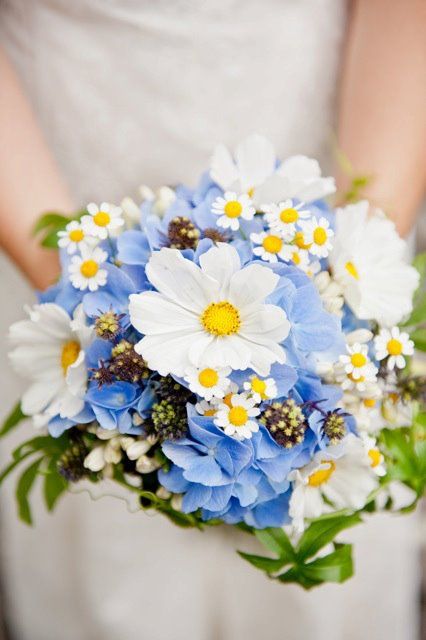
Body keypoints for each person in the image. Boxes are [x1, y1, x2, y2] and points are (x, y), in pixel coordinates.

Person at [0, 1, 424, 639]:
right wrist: (86, 304)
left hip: (334, 151)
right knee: (112, 583)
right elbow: (84, 302)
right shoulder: (90, 317)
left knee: (324, 606)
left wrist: (348, 272)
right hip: (57, 174)